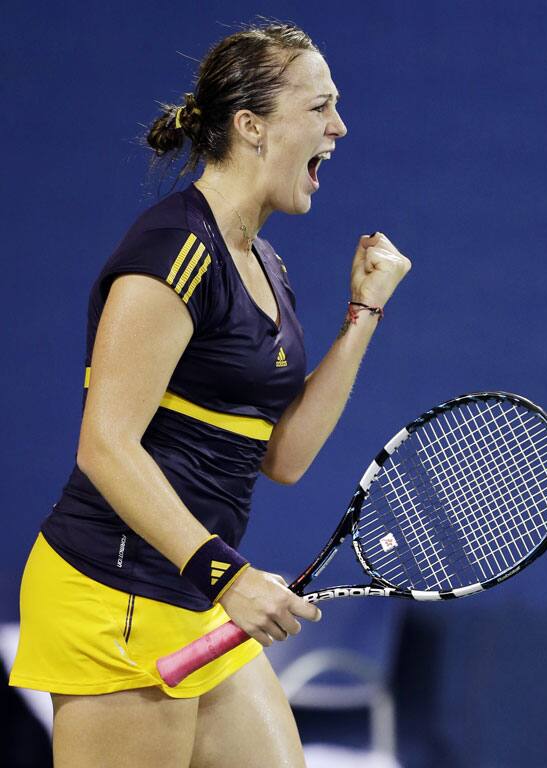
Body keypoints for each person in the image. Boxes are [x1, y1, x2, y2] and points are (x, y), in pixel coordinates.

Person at [9, 21, 411, 768]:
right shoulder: (174, 253)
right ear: (252, 126)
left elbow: (283, 456)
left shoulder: (266, 263)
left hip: (190, 593)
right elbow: (105, 444)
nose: (340, 125)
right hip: (114, 594)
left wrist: (362, 315)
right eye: (321, 106)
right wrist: (226, 575)